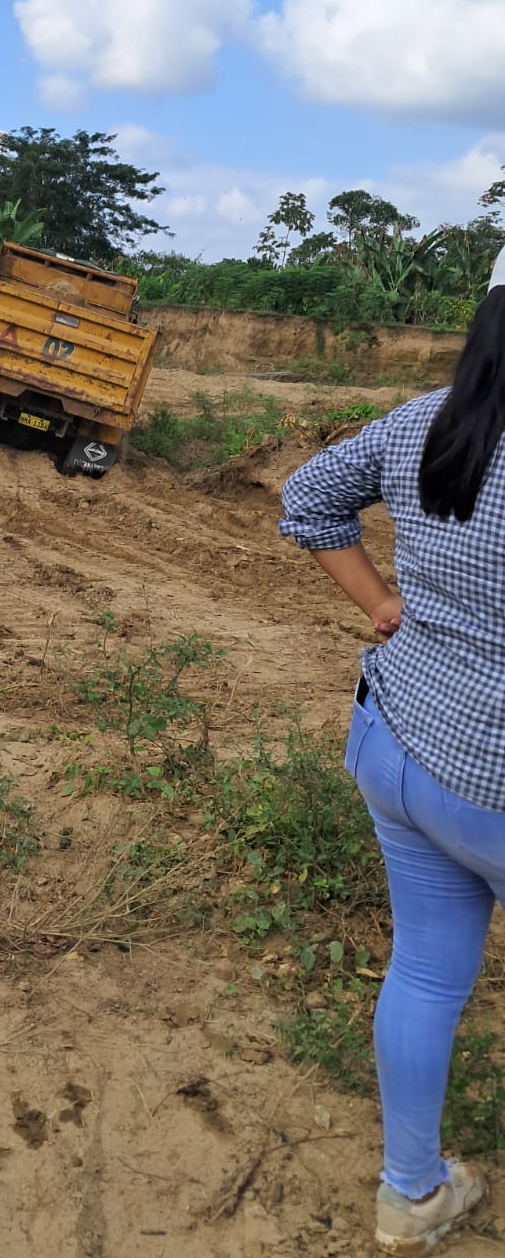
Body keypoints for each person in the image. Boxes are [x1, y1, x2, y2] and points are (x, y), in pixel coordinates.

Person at [279, 252, 505, 1255]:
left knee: (423, 971)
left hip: (399, 740)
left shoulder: (423, 422)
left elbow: (308, 496)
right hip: (493, 784)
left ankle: (412, 1193)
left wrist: (379, 603)